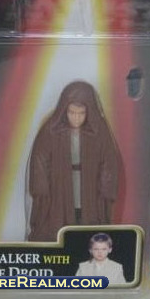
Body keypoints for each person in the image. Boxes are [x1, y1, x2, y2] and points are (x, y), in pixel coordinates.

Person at [28, 81, 119, 241]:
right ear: (64, 110)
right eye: (72, 112)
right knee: (58, 219)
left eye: (81, 113)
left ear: (88, 112)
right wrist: (41, 188)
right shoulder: (51, 130)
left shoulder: (99, 132)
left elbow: (109, 162)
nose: (76, 118)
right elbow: (39, 160)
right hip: (59, 187)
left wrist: (106, 188)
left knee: (87, 216)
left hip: (89, 186)